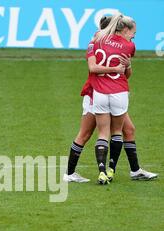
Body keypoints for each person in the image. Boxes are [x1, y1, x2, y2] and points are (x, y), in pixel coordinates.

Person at [64, 15, 158, 183]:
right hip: (95, 93)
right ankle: (70, 173)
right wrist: (115, 67)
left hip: (109, 92)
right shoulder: (98, 41)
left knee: (129, 130)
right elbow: (93, 68)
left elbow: (126, 75)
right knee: (85, 134)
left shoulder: (113, 46)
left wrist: (127, 65)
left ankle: (135, 170)